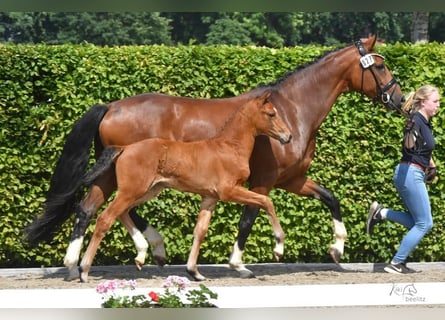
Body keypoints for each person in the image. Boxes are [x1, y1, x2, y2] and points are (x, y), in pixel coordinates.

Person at [367, 84, 440, 274]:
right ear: (424, 102)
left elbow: (422, 148)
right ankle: (396, 262)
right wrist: (409, 135)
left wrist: (431, 165)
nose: (438, 105)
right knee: (425, 223)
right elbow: (409, 146)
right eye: (435, 101)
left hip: (409, 172)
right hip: (411, 174)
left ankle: (381, 213)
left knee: (416, 222)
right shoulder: (415, 121)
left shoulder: (423, 121)